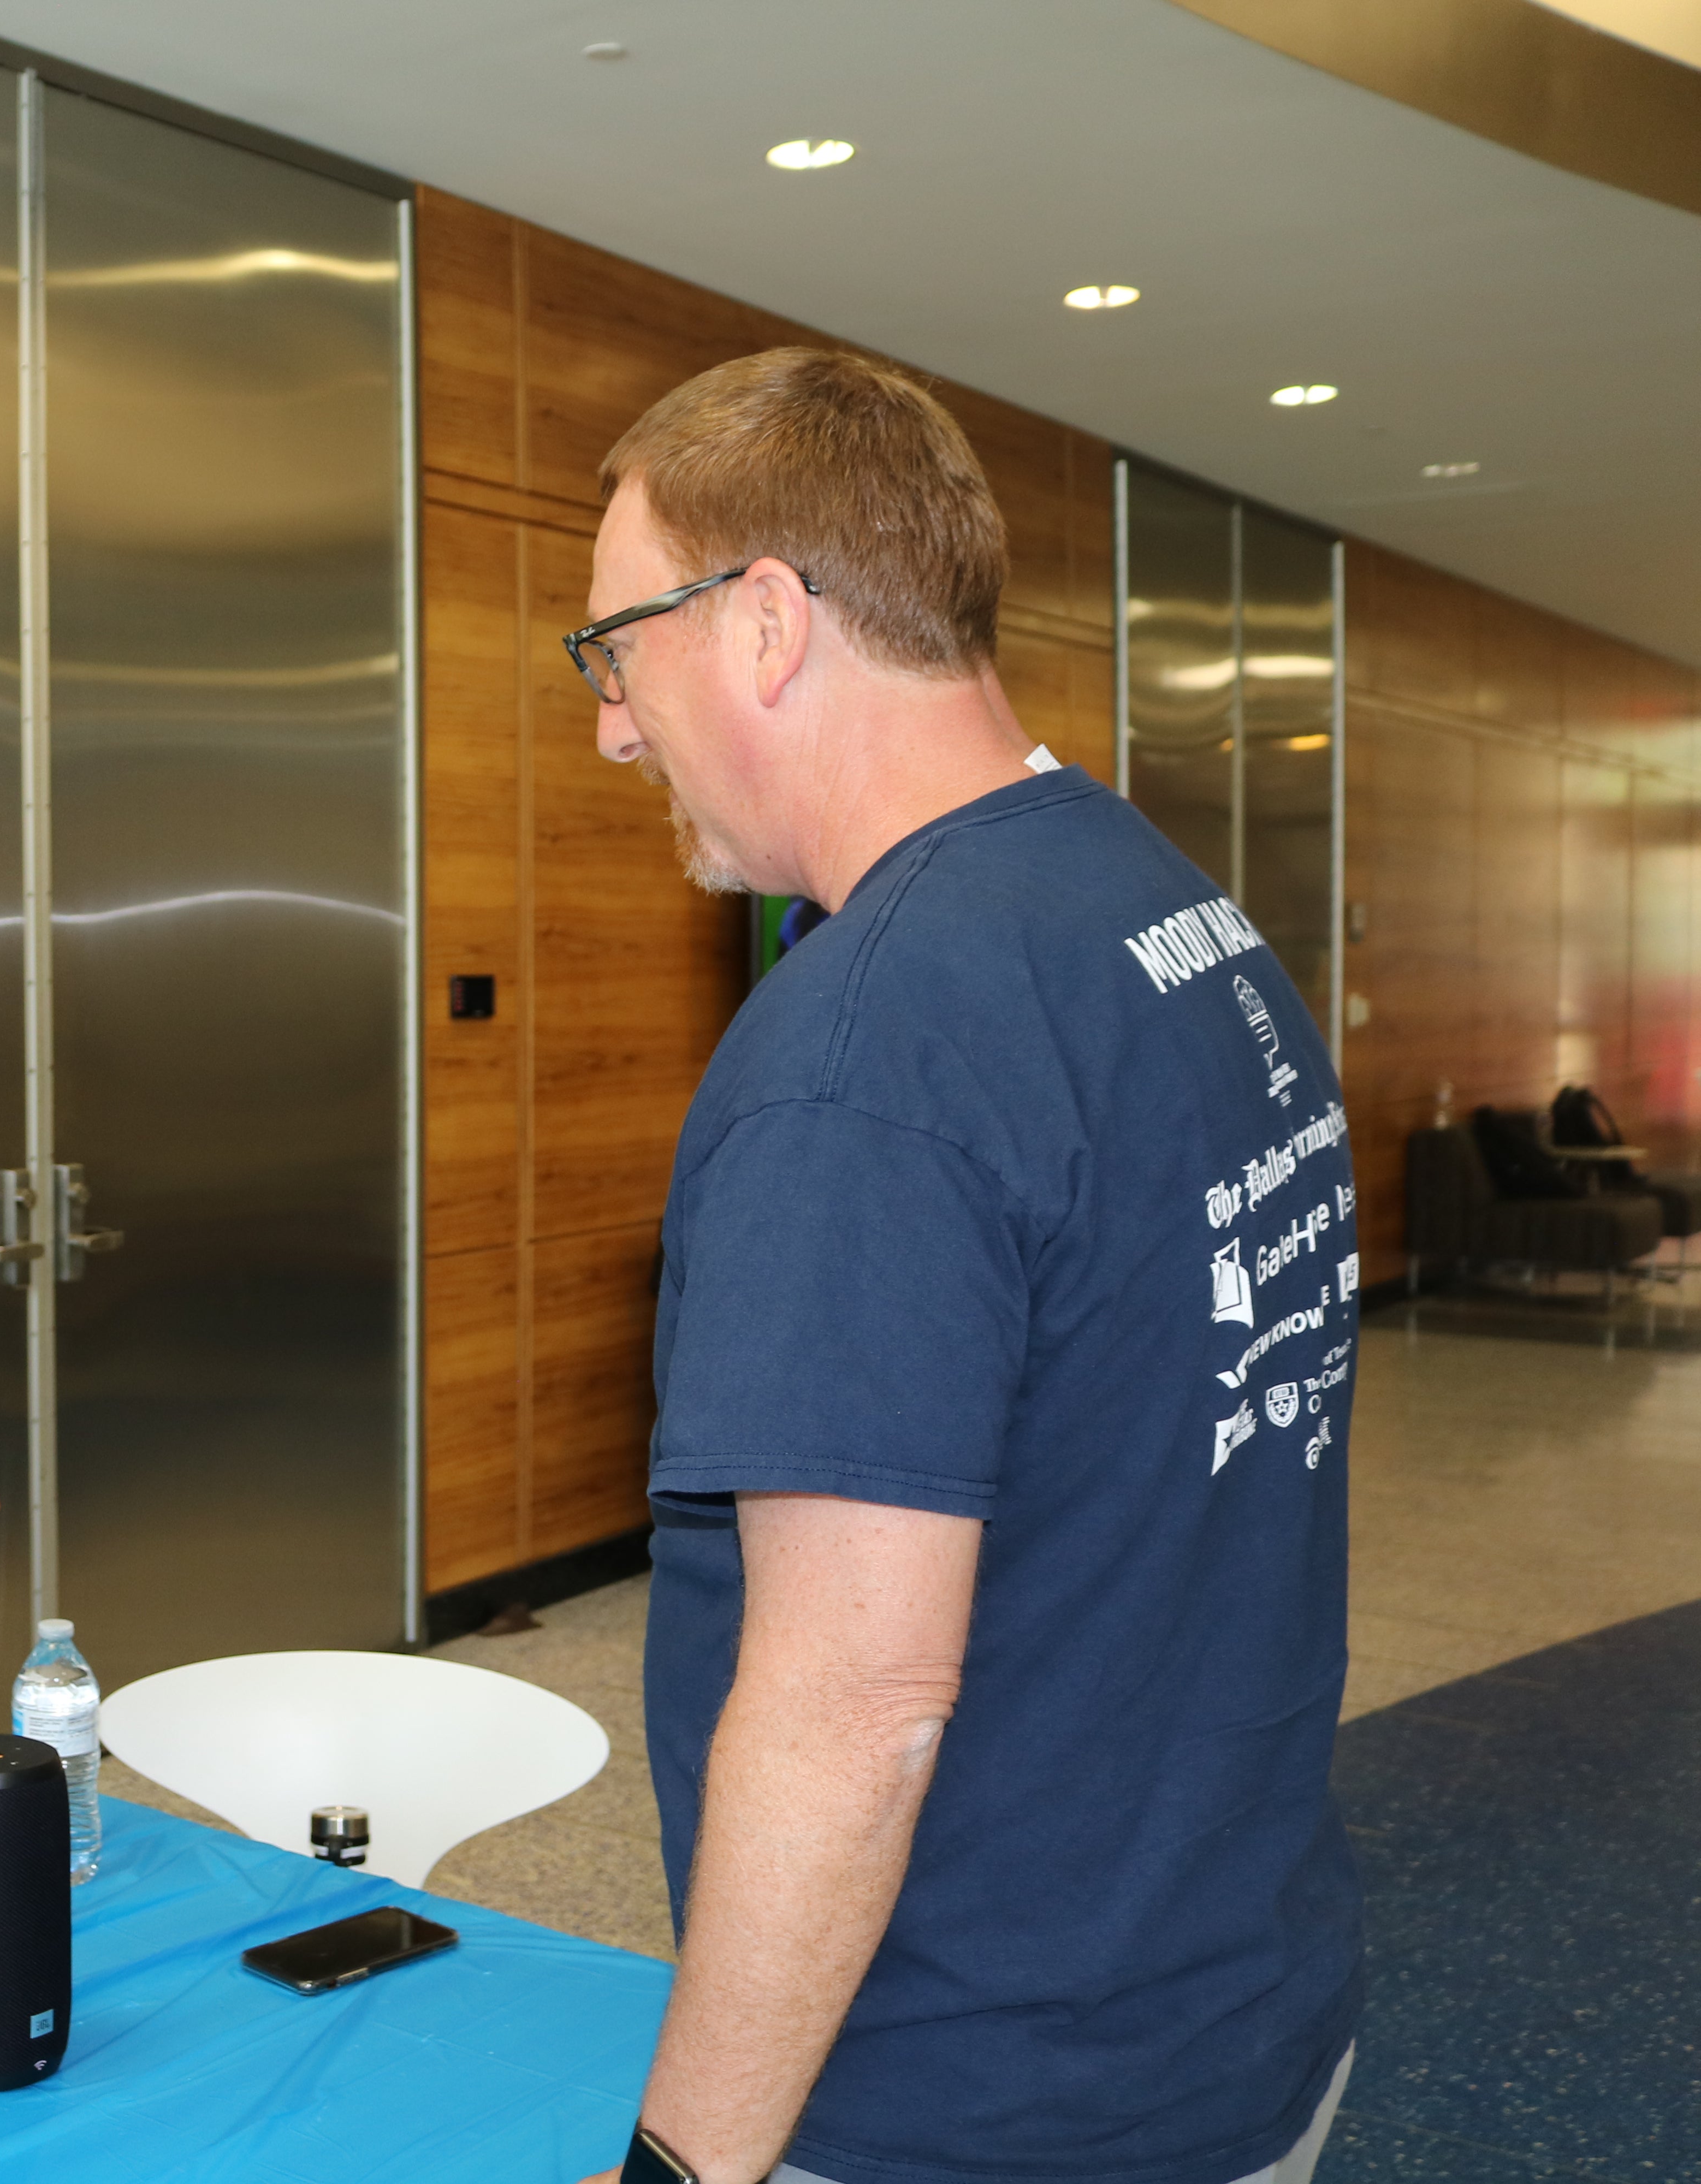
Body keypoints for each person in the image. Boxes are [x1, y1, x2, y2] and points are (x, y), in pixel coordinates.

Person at [570, 353, 1360, 2184]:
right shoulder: (1174, 912)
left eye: (616, 651)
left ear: (762, 623)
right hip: (1230, 2015)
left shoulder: (867, 1051)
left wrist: (687, 2170)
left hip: (981, 2101)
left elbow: (853, 1713)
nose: (612, 727)